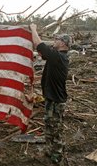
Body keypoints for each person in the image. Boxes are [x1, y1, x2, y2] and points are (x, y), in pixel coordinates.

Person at [30, 24, 70, 165]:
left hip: (56, 101)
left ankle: (57, 158)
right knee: (48, 126)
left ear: (63, 43)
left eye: (57, 39)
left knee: (56, 130)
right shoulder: (57, 56)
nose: (54, 40)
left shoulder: (59, 57)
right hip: (50, 99)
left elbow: (39, 44)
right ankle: (49, 150)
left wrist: (33, 29)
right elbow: (41, 49)